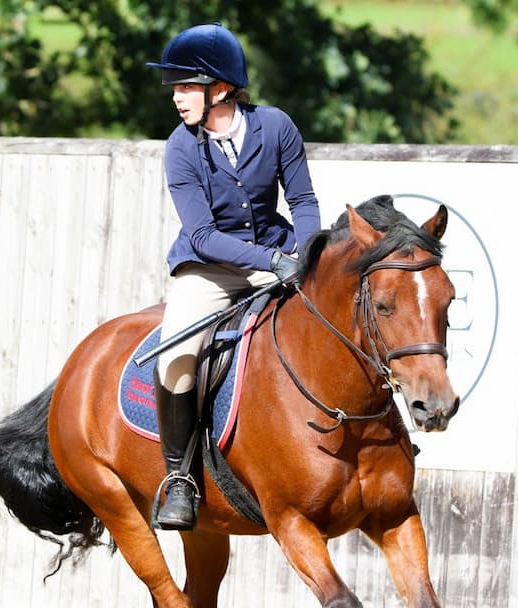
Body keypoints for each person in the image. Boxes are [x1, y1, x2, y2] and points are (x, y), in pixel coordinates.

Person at [145, 23, 322, 530]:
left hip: (282, 254)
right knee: (178, 356)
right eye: (175, 87)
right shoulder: (180, 146)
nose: (177, 98)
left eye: (186, 86)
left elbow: (303, 201)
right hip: (211, 270)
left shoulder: (277, 126)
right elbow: (201, 235)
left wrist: (306, 253)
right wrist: (271, 262)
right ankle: (179, 478)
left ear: (219, 89)